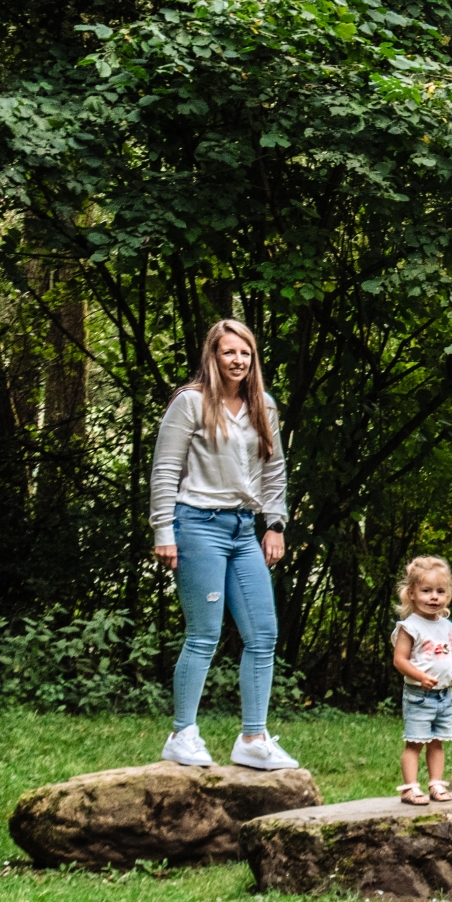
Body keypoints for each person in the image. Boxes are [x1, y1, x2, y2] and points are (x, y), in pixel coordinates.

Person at [149, 318, 299, 771]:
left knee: (263, 634)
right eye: (229, 352)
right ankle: (183, 734)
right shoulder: (190, 403)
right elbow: (164, 470)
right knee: (204, 635)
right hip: (196, 525)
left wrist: (275, 524)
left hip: (242, 529)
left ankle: (253, 738)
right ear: (212, 356)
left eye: (246, 353)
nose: (238, 360)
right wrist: (163, 530)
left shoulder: (263, 406)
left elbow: (274, 472)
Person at [391, 556, 452, 805]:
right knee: (415, 742)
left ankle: (436, 784)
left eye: (440, 591)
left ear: (448, 595)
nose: (434, 597)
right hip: (419, 695)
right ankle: (409, 788)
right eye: (426, 591)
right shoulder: (410, 626)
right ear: (412, 594)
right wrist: (419, 675)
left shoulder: (447, 626)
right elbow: (400, 660)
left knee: (437, 742)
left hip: (444, 695)